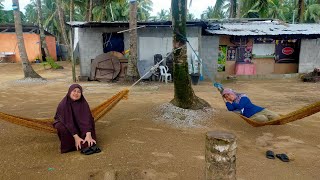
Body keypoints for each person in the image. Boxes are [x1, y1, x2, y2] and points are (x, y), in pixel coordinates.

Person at [53, 84, 101, 155]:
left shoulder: (83, 103)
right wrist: (76, 137)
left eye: (79, 92)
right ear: (69, 92)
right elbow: (68, 122)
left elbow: (87, 119)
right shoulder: (63, 104)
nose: (76, 93)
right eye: (74, 91)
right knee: (61, 127)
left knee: (89, 141)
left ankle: (83, 141)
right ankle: (72, 144)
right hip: (64, 122)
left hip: (78, 124)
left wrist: (88, 134)